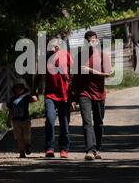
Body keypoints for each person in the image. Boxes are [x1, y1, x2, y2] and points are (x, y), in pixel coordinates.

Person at [71, 31, 112, 161]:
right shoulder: (79, 57)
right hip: (84, 93)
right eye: (88, 40)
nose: (91, 42)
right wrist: (73, 98)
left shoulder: (103, 56)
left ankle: (97, 148)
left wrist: (90, 71)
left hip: (99, 94)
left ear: (97, 41)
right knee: (87, 121)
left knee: (99, 123)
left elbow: (108, 74)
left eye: (93, 40)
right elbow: (75, 79)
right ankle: (89, 150)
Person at [43, 37, 74, 159]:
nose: (54, 47)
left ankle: (64, 149)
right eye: (52, 45)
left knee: (64, 123)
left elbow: (73, 71)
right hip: (50, 95)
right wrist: (34, 91)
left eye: (56, 45)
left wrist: (73, 92)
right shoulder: (45, 58)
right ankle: (49, 148)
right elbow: (39, 76)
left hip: (64, 94)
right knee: (50, 120)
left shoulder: (65, 55)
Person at [7, 78, 38, 158]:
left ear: (24, 89)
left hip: (25, 120)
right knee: (19, 137)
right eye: (17, 87)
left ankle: (28, 145)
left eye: (21, 87)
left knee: (26, 136)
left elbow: (33, 99)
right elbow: (10, 111)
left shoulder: (26, 97)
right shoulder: (12, 99)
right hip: (15, 121)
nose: (19, 89)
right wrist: (8, 120)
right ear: (14, 89)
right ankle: (21, 151)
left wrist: (35, 97)